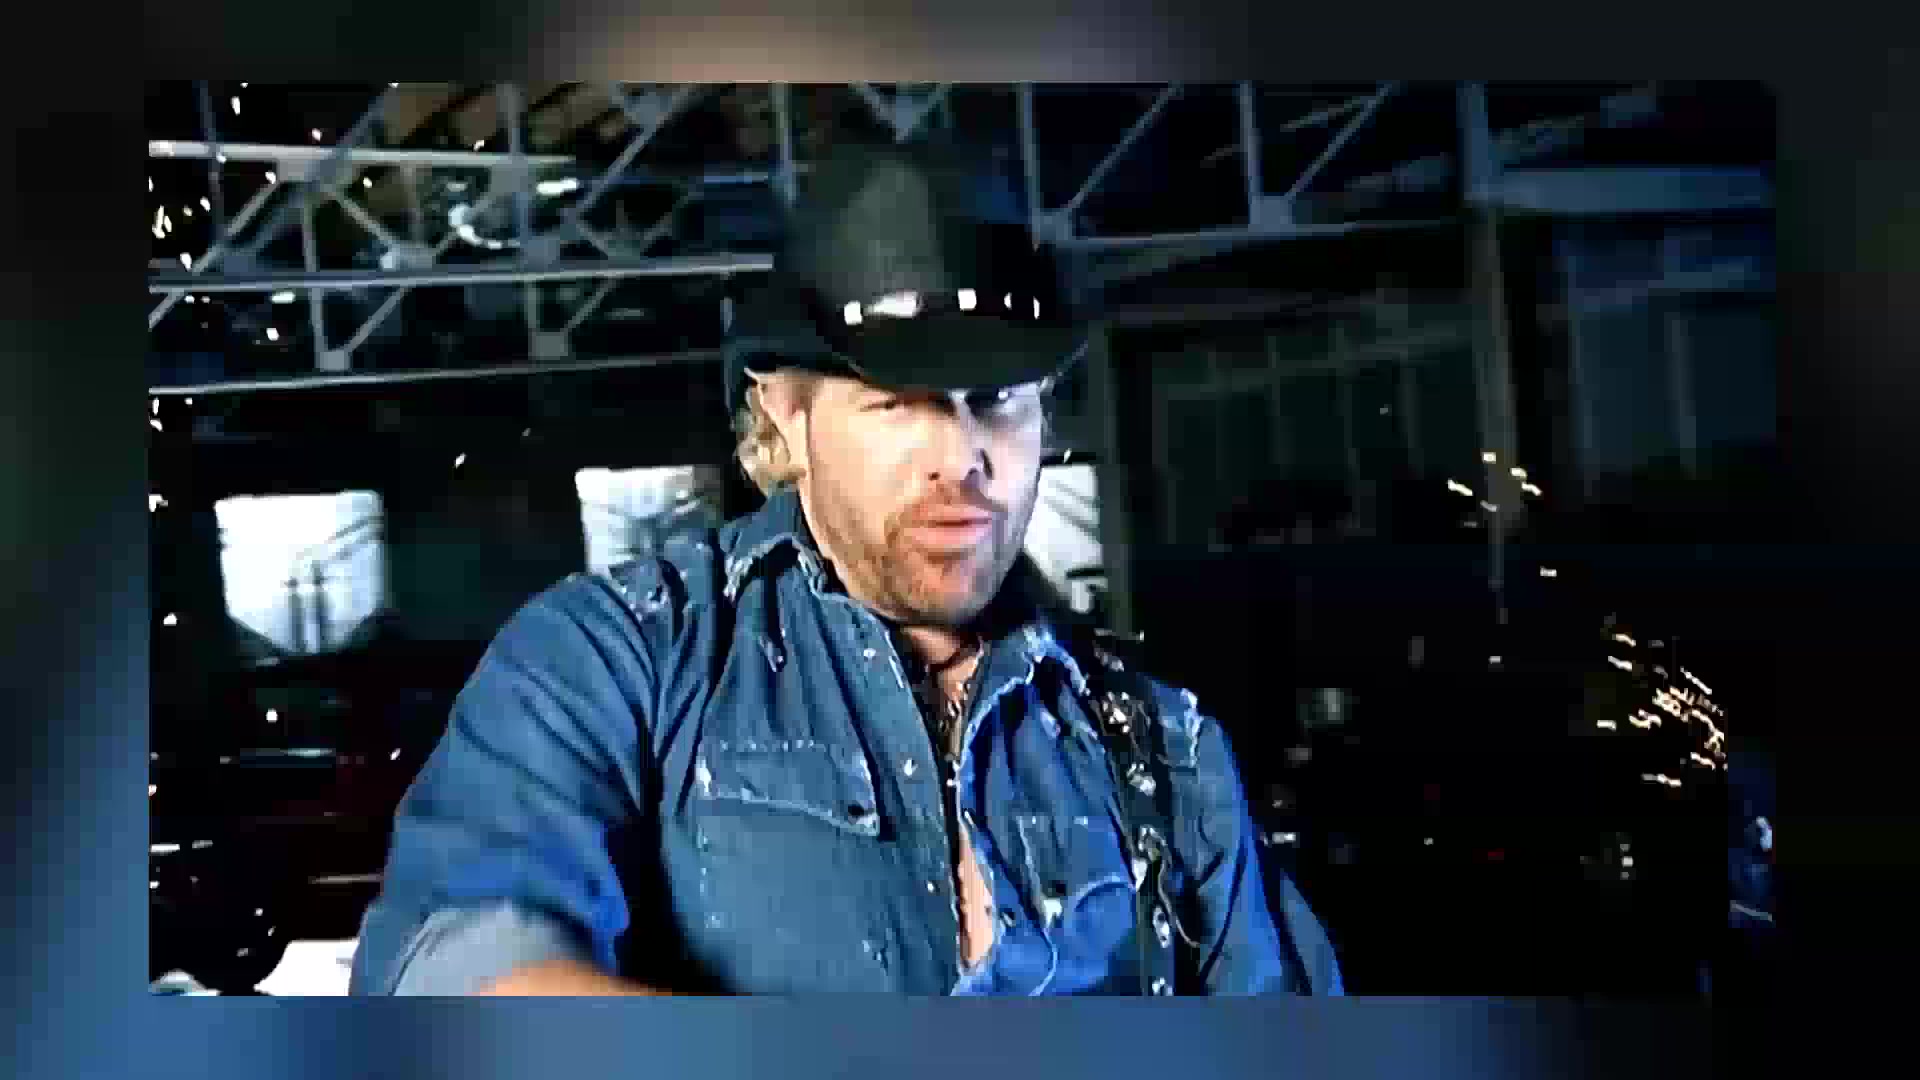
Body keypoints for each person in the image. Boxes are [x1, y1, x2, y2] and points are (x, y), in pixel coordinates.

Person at [348, 142, 1340, 996]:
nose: (960, 457)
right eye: (898, 401)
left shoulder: (1159, 743)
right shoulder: (619, 662)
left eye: (996, 399)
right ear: (787, 417)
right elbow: (458, 967)